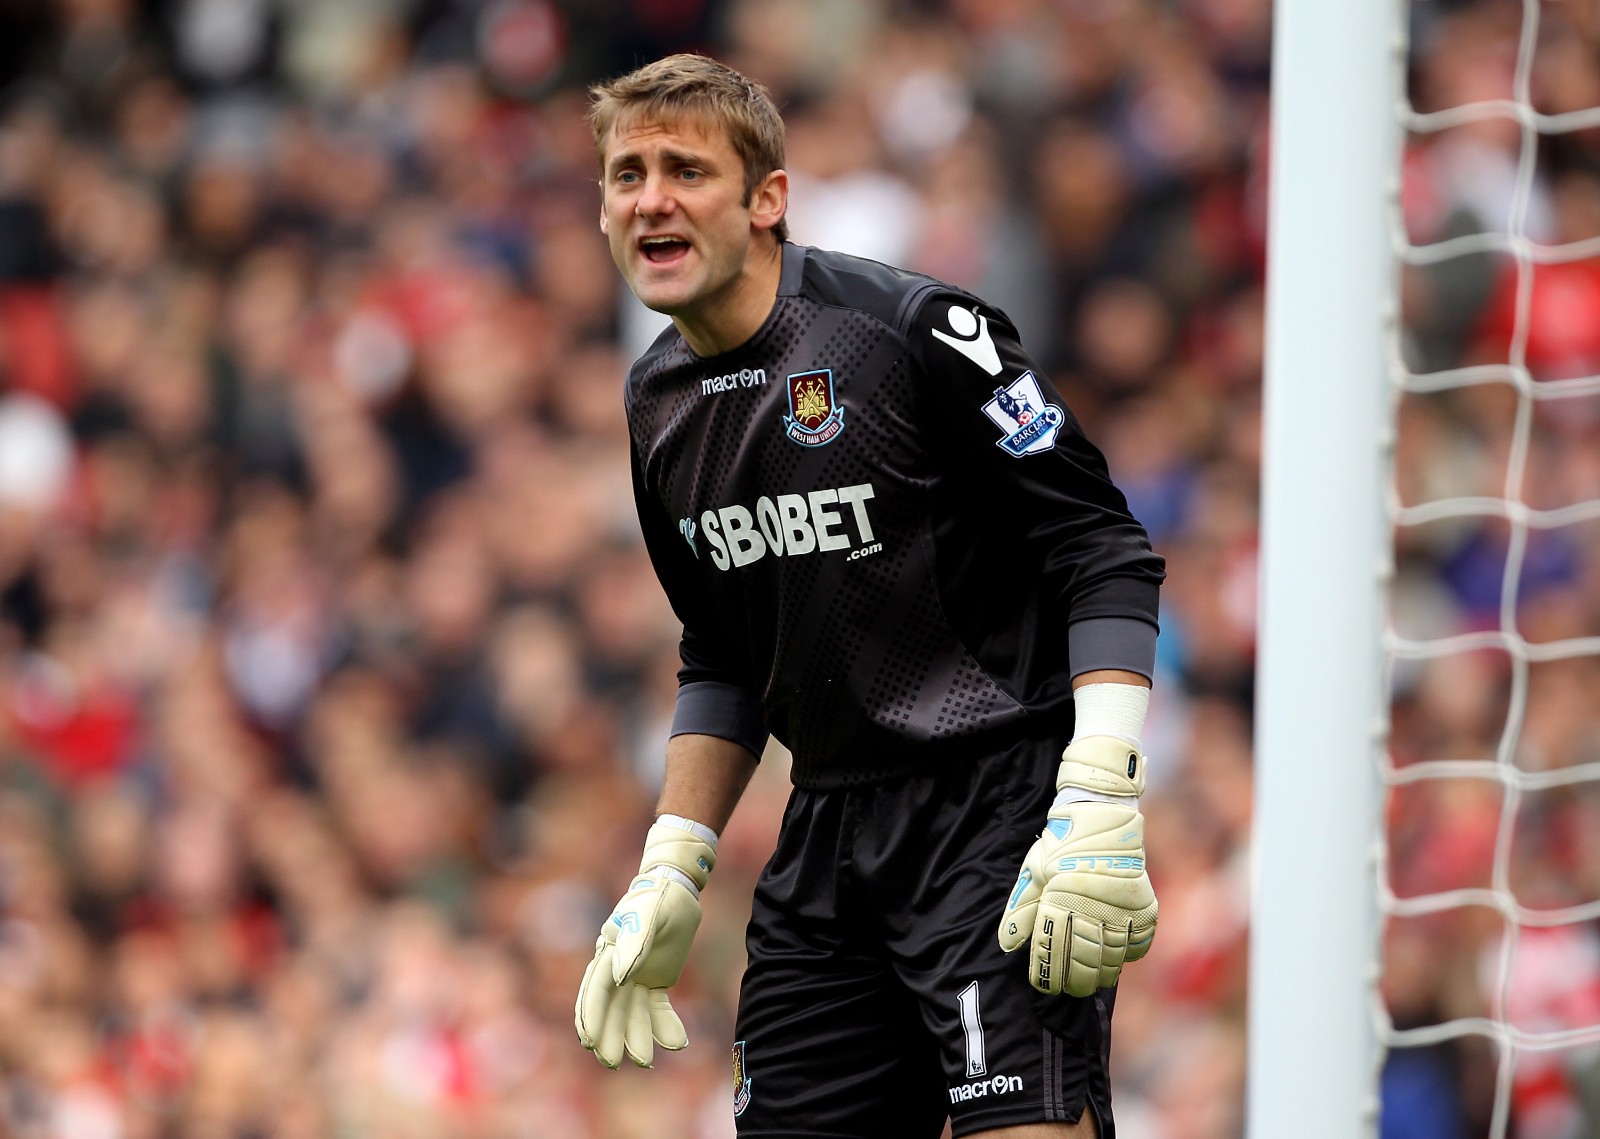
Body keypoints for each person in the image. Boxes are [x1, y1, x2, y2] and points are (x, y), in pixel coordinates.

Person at [573, 53, 1165, 1139]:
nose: (649, 197)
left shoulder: (912, 332)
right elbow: (721, 648)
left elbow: (1102, 545)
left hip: (994, 804)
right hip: (828, 833)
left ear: (766, 200)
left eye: (684, 170)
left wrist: (1097, 787)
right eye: (625, 174)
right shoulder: (655, 402)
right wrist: (674, 856)